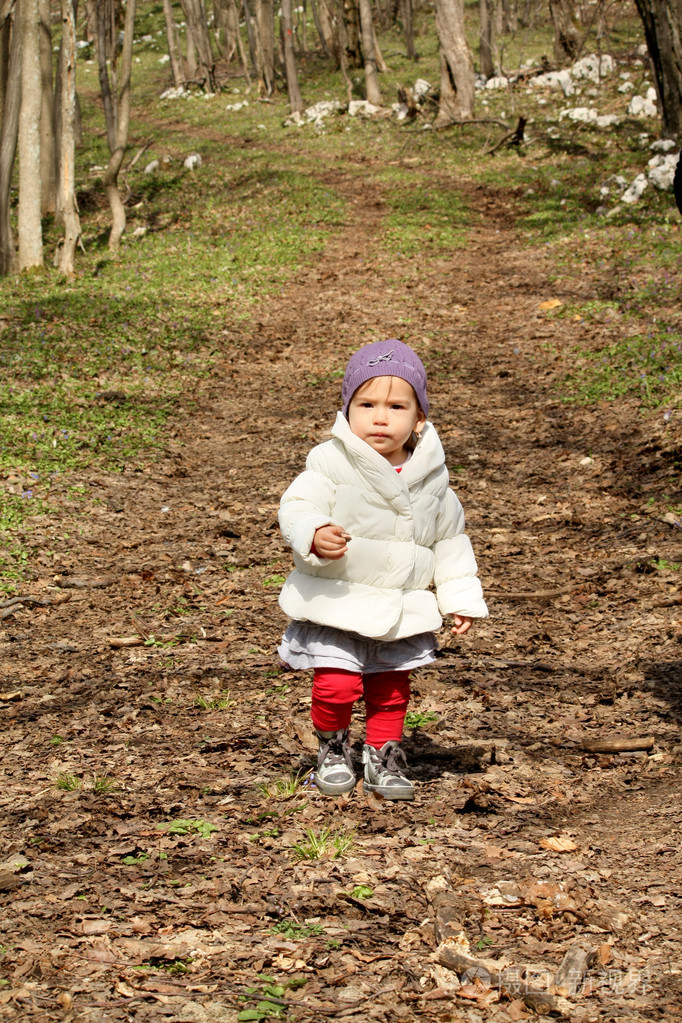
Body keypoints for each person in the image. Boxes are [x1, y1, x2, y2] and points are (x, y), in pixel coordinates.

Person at [277, 339, 488, 800]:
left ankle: (384, 757)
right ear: (347, 410)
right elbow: (298, 504)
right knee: (335, 684)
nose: (379, 417)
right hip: (337, 599)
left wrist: (460, 599)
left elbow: (450, 541)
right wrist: (312, 532)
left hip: (400, 602)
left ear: (419, 419)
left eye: (396, 406)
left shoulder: (433, 479)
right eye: (366, 404)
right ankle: (332, 748)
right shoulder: (329, 463)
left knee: (391, 689)